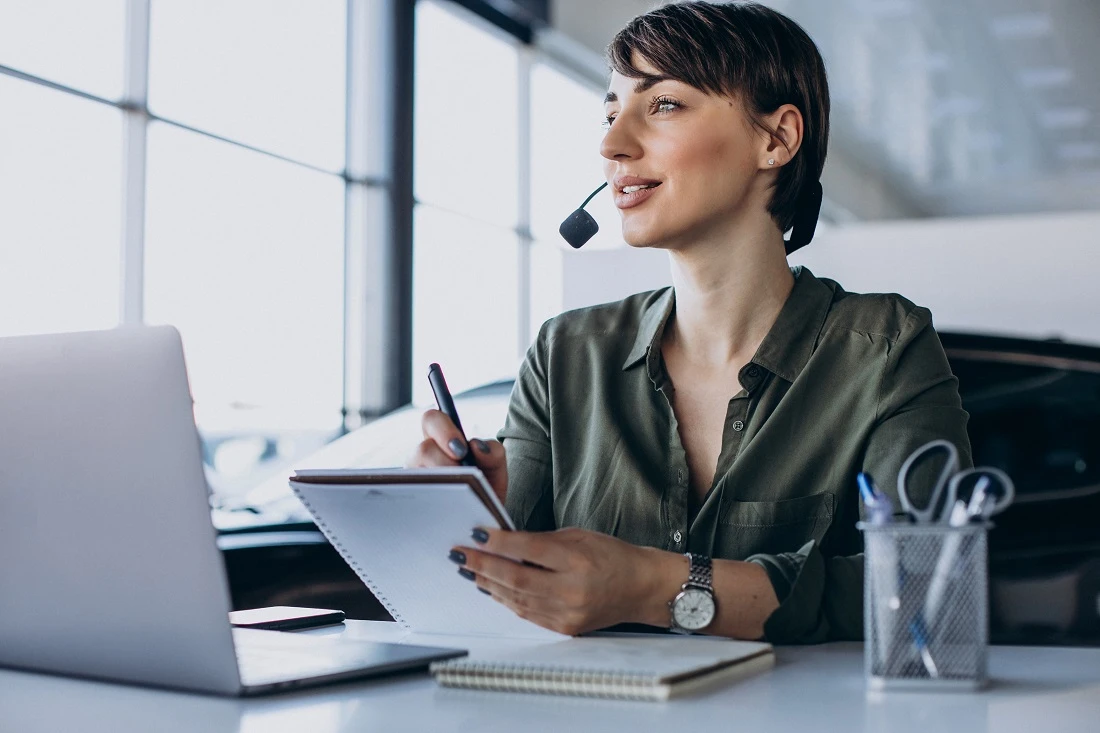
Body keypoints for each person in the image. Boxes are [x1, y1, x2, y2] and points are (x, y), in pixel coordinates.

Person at [408, 1, 971, 644]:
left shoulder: (885, 349)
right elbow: (500, 598)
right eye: (611, 114)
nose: (611, 145)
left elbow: (931, 591)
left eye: (664, 104)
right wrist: (467, 516)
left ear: (776, 139)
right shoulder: (565, 353)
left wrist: (654, 585)